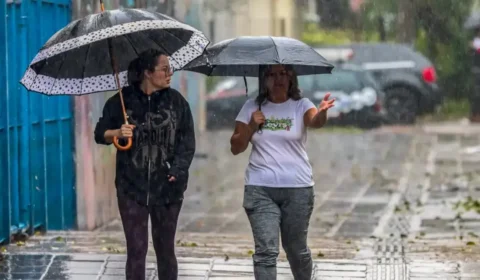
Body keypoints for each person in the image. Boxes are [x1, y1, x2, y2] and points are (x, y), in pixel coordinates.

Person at [94, 49, 196, 280]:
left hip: (168, 188)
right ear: (148, 73)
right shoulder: (121, 102)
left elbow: (187, 142)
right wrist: (117, 132)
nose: (170, 73)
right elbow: (100, 134)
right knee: (136, 250)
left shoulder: (177, 103)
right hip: (131, 188)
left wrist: (178, 170)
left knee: (165, 250)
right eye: (164, 69)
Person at [230, 65, 335, 280]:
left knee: (296, 250)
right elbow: (235, 147)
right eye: (272, 74)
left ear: (291, 78)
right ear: (263, 79)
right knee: (266, 252)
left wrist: (322, 112)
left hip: (298, 189)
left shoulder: (301, 105)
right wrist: (251, 125)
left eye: (283, 74)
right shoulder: (251, 107)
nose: (278, 79)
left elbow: (314, 121)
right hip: (260, 189)